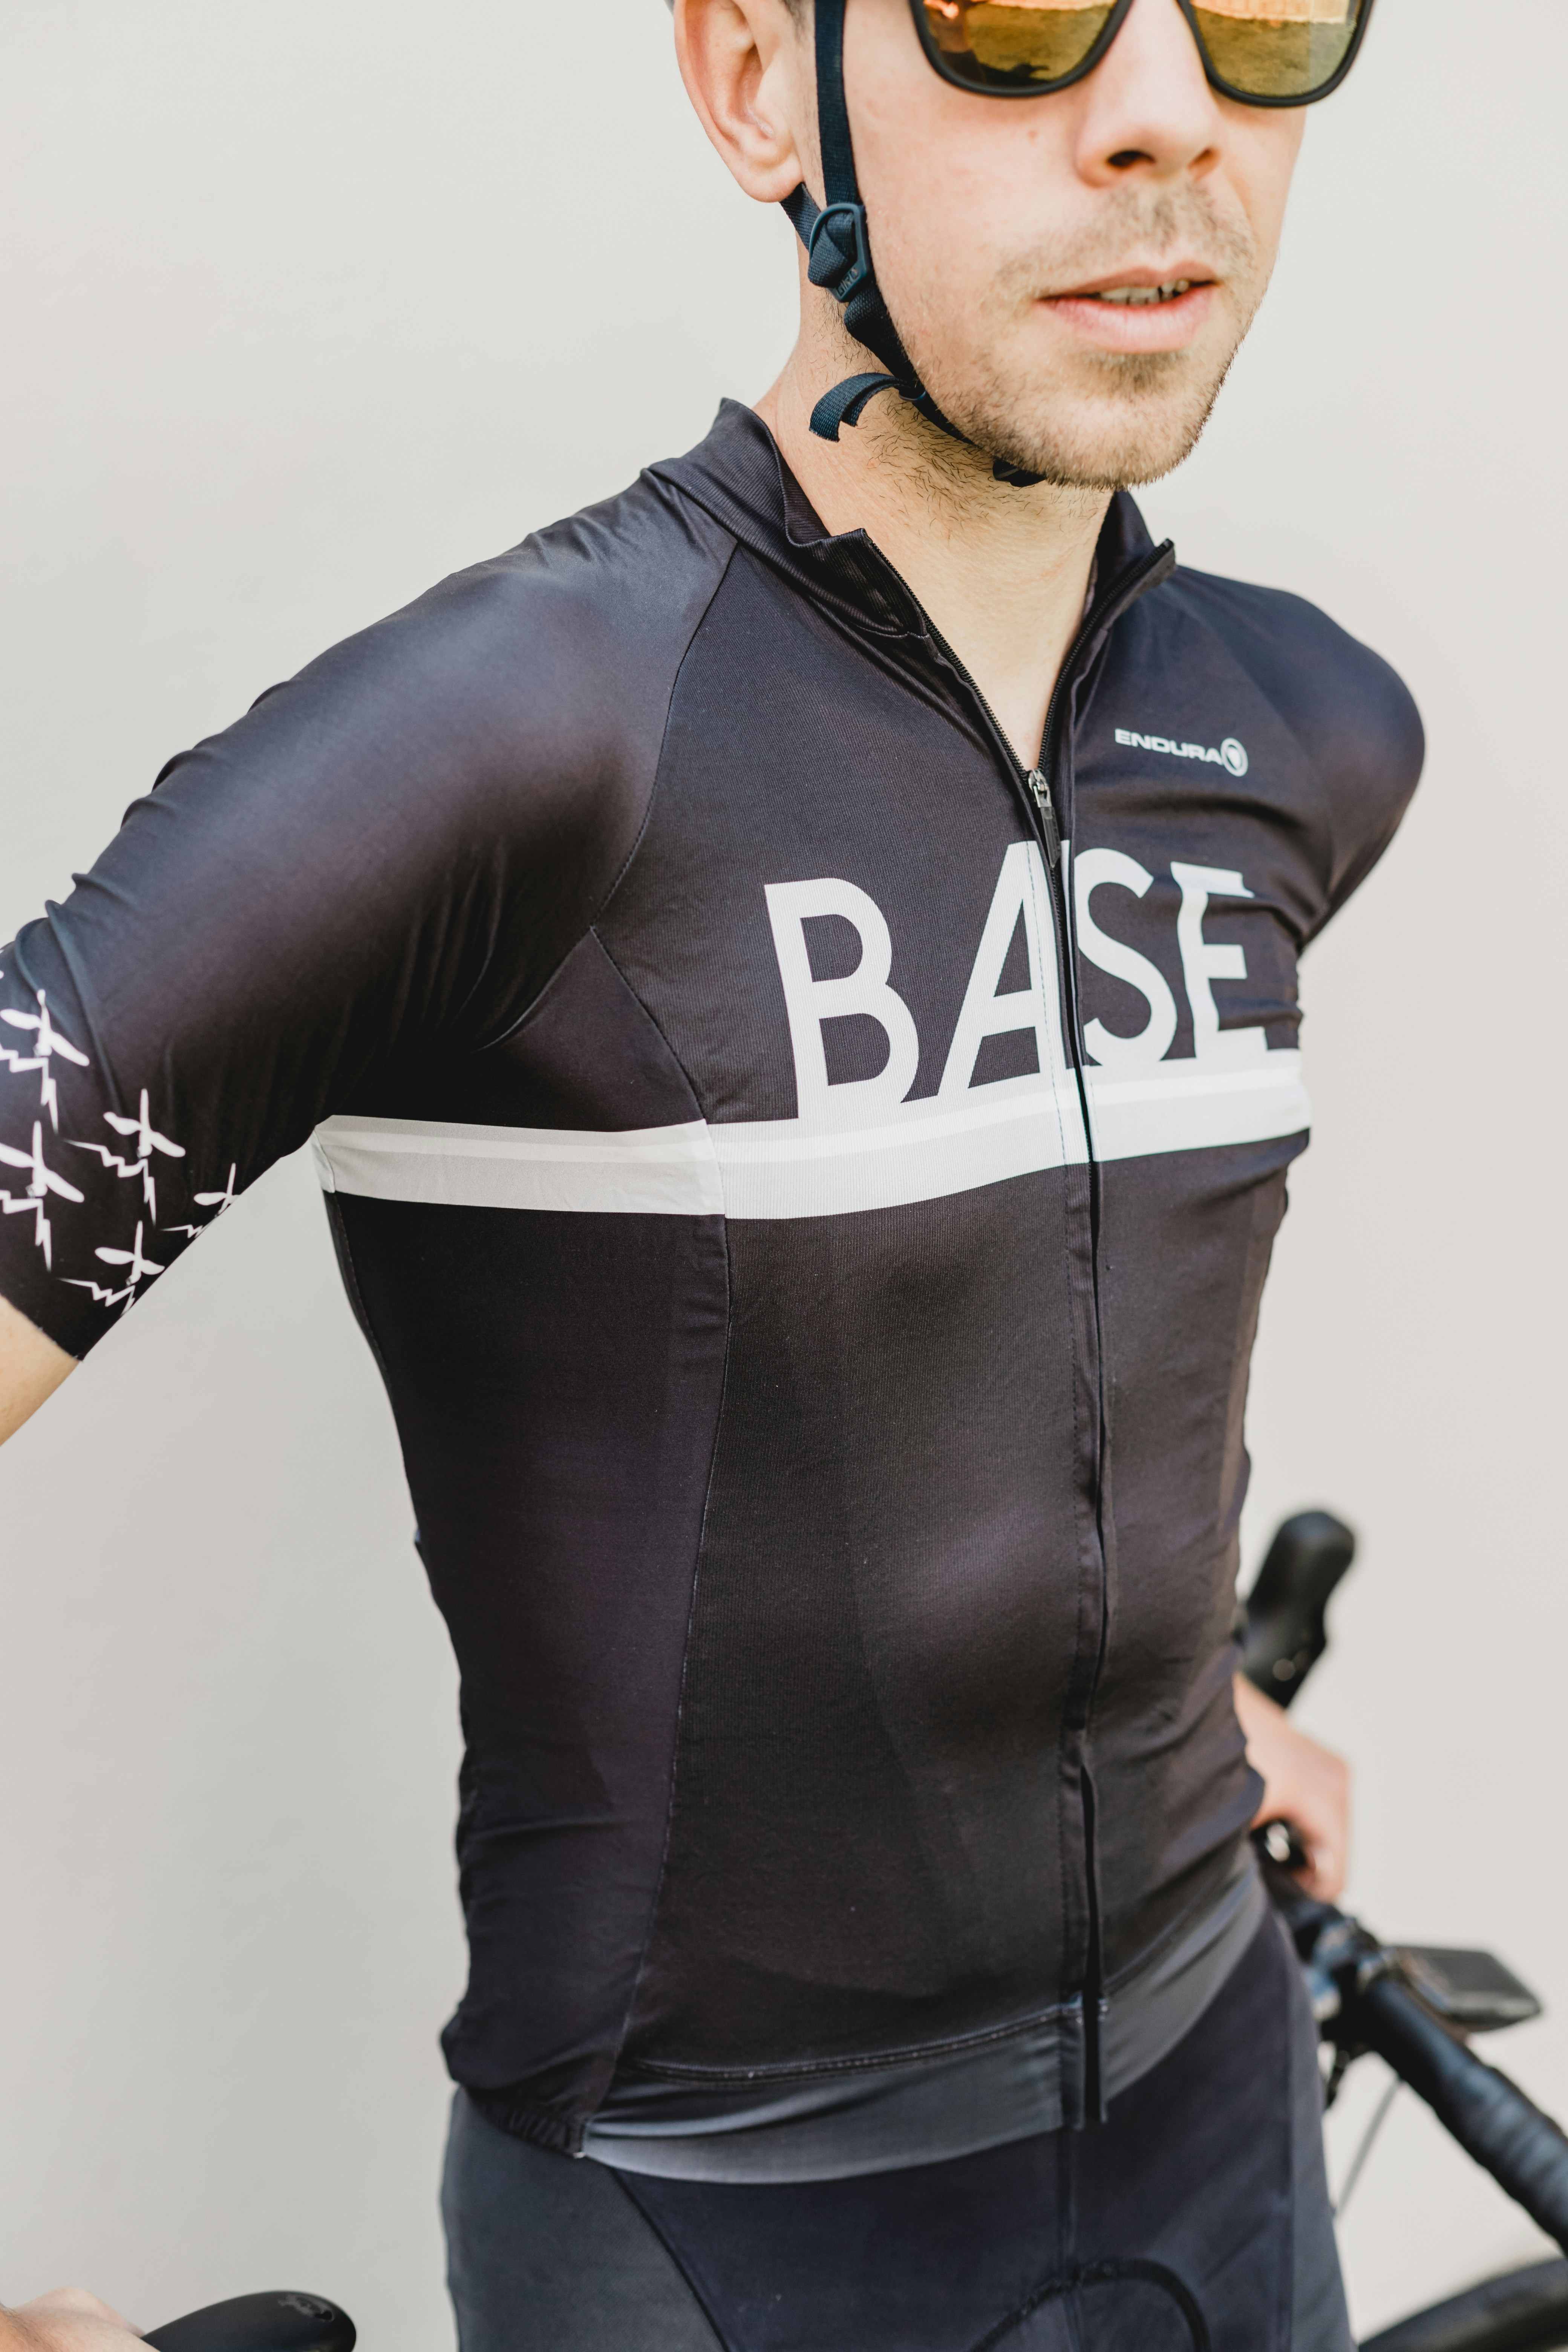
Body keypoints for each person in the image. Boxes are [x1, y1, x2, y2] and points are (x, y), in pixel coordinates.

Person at [0, 0, 1419, 2344]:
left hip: (1222, 2116)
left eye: (1258, 11)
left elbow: (1073, 1295)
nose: (1168, 108)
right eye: (1019, 9)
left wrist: (1173, 1698)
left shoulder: (1303, 735)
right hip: (713, 2231)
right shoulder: (523, 744)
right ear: (763, 81)